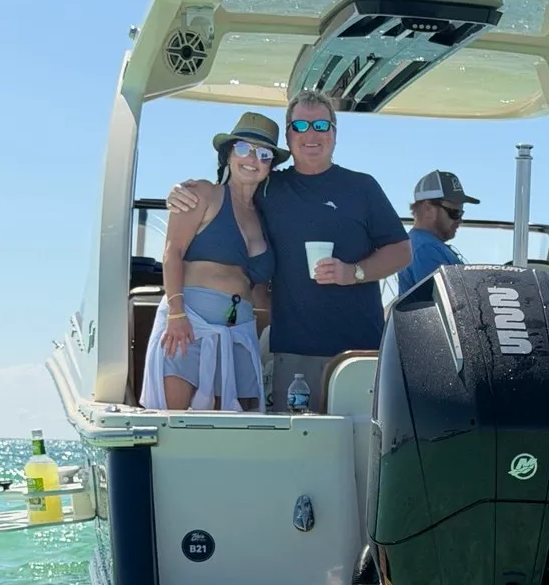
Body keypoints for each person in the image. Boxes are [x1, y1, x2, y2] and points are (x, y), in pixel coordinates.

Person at [167, 89, 410, 412]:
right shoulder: (268, 187)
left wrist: (353, 273)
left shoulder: (362, 187)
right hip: (292, 354)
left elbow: (402, 251)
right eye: (301, 126)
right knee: (299, 452)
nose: (311, 134)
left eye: (321, 126)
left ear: (335, 134)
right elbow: (229, 195)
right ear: (288, 134)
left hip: (360, 353)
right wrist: (180, 192)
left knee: (362, 451)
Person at [140, 112, 283, 411]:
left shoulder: (265, 216)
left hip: (239, 334)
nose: (252, 159)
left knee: (238, 434)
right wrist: (177, 314)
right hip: (188, 326)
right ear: (229, 154)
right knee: (175, 425)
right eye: (243, 148)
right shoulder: (202, 192)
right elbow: (172, 252)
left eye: (264, 154)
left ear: (270, 166)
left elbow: (259, 291)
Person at [397, 170, 479, 294]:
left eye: (461, 213)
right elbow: (452, 303)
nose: (460, 220)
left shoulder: (425, 245)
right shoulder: (425, 248)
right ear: (428, 209)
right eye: (454, 213)